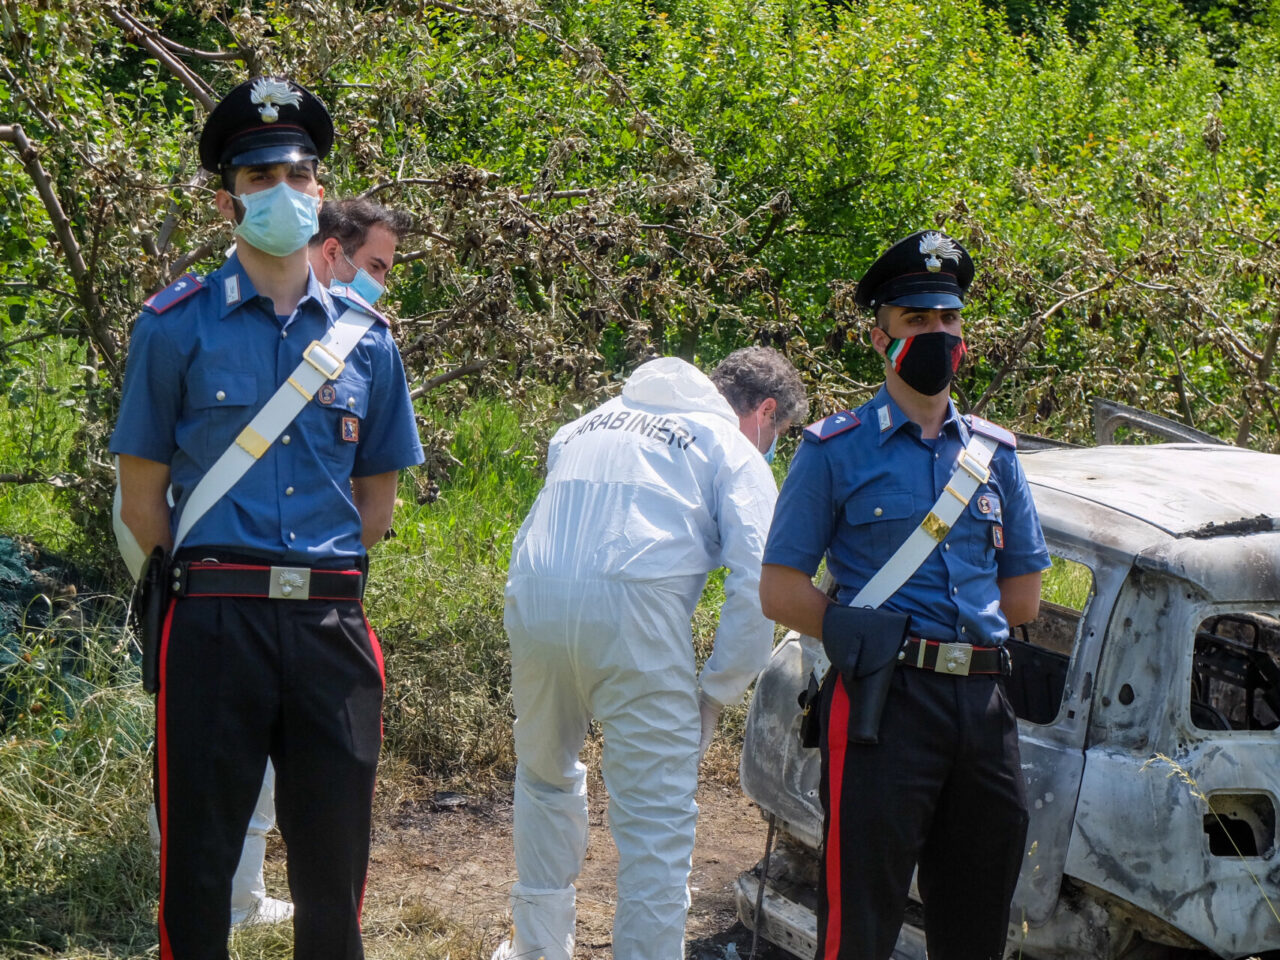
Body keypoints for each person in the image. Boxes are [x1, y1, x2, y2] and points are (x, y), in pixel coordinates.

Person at [111, 77, 424, 960]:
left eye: (296, 172)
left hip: (329, 622)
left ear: (320, 191)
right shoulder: (173, 329)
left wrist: (309, 580)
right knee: (200, 864)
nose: (281, 189)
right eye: (258, 178)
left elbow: (376, 508)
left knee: (335, 864)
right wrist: (219, 581)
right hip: (214, 621)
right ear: (228, 201)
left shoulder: (367, 341)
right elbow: (143, 504)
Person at [759, 231, 1051, 960]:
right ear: (880, 335)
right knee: (859, 923)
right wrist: (852, 630)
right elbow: (778, 588)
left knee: (977, 924)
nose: (937, 335)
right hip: (886, 704)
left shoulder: (996, 456)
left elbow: (1023, 601)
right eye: (917, 321)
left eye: (948, 320)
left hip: (985, 710)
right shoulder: (834, 449)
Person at [496, 347, 806, 960]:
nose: (774, 445)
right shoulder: (731, 448)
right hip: (636, 611)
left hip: (533, 600)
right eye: (781, 434)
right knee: (656, 825)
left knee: (543, 777)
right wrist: (718, 690)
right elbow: (758, 585)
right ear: (766, 412)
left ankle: (537, 950)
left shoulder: (586, 423)